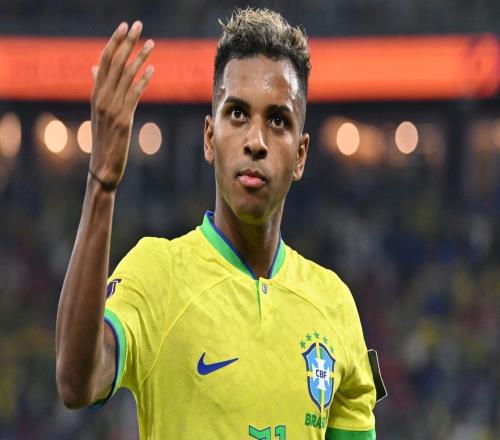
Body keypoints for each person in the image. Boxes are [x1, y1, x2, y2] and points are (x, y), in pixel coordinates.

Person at [55, 7, 385, 439]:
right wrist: (101, 184)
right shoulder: (157, 273)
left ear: (301, 155)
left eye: (278, 121)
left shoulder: (335, 304)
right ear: (210, 138)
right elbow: (76, 382)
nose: (256, 141)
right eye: (238, 114)